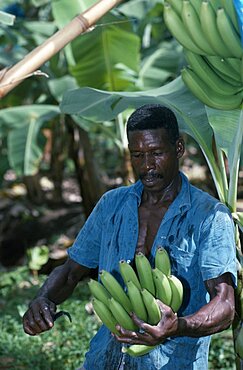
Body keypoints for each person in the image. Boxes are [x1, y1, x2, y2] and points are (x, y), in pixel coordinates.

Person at [23, 104, 237, 370]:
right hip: (103, 360)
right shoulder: (111, 205)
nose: (147, 165)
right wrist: (43, 298)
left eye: (157, 153)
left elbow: (225, 304)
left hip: (172, 363)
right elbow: (70, 272)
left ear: (178, 149)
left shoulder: (209, 216)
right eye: (137, 155)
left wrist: (178, 325)